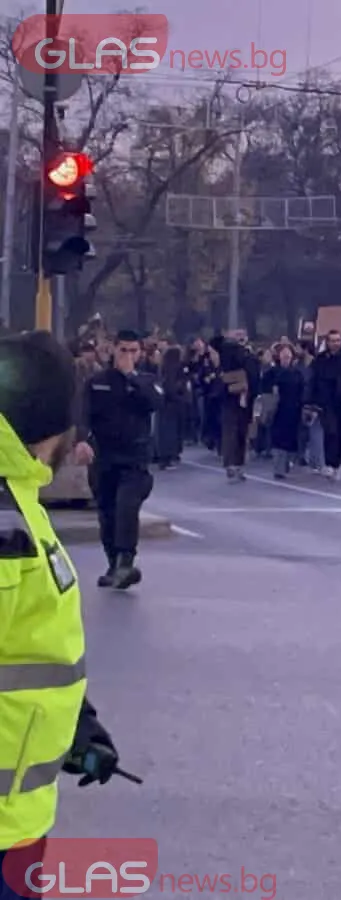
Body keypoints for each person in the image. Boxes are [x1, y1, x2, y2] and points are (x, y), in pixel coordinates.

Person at [0, 331, 126, 896]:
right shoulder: (6, 520)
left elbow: (31, 645)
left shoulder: (19, 498)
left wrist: (75, 722)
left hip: (17, 813)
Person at [78, 330, 164, 591]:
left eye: (133, 351)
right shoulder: (97, 382)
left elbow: (156, 402)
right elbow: (81, 413)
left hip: (134, 458)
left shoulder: (146, 380)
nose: (127, 355)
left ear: (140, 353)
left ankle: (126, 562)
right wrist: (81, 440)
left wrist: (131, 376)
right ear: (113, 349)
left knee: (126, 507)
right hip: (104, 456)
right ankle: (113, 564)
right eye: (123, 350)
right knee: (107, 512)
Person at [307, 329, 341, 481]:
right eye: (332, 340)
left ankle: (336, 464)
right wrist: (311, 401)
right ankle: (329, 464)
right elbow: (313, 379)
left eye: (338, 340)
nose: (335, 343)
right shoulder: (320, 359)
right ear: (327, 342)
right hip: (326, 401)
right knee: (330, 431)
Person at [213, 331, 259, 482]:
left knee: (233, 431)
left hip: (233, 395)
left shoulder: (228, 352)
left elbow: (215, 342)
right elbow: (254, 377)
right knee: (238, 432)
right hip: (242, 396)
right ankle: (236, 464)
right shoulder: (244, 354)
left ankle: (232, 464)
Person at [260, 344, 307, 480]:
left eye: (288, 353)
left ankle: (287, 462)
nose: (286, 356)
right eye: (283, 353)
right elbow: (264, 391)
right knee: (278, 439)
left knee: (292, 441)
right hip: (278, 410)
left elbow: (303, 391)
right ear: (278, 356)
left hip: (294, 410)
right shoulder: (271, 373)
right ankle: (278, 468)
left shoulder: (297, 374)